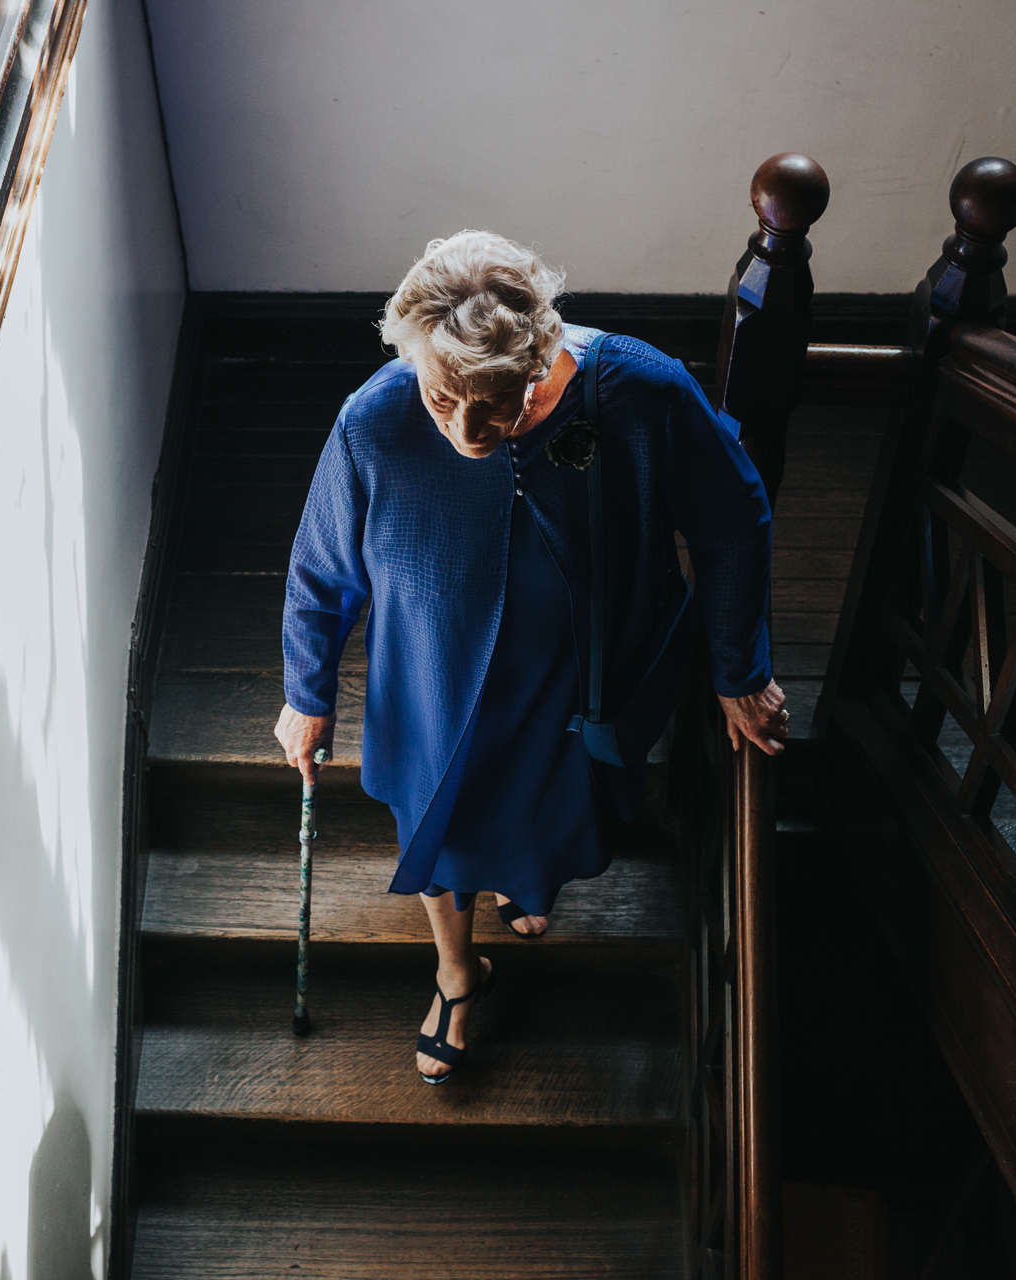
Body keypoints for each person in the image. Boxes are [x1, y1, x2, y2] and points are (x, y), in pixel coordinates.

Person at [275, 231, 786, 1084]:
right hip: (432, 689)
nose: (470, 431)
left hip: (571, 688)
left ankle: (523, 884)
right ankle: (456, 972)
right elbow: (321, 566)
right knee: (440, 830)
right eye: (443, 400)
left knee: (551, 814)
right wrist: (307, 689)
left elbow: (733, 520)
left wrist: (740, 668)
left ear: (544, 351)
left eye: (501, 404)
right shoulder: (373, 422)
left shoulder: (642, 389)